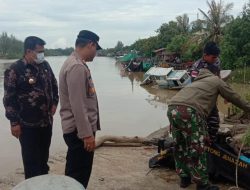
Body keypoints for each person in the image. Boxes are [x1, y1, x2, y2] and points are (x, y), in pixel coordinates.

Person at [167, 68, 250, 190]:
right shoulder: (216, 80)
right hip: (190, 112)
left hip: (172, 108)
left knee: (180, 145)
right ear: (217, 74)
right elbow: (234, 97)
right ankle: (202, 185)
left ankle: (184, 178)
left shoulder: (196, 82)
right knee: (197, 147)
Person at [3, 36, 59, 179]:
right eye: (39, 51)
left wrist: (54, 103)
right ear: (28, 51)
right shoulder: (15, 70)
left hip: (46, 122)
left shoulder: (45, 66)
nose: (42, 54)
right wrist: (14, 123)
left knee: (43, 160)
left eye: (43, 51)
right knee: (31, 163)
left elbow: (54, 85)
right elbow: (9, 99)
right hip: (27, 126)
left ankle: (44, 183)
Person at [59, 30, 101, 188]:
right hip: (79, 132)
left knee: (76, 172)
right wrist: (86, 135)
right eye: (96, 48)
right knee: (78, 175)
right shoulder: (76, 66)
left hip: (79, 131)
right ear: (91, 44)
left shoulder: (75, 62)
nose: (96, 53)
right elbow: (78, 104)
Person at [189, 42, 221, 141]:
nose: (215, 59)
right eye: (213, 57)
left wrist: (223, 93)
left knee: (214, 122)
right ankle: (200, 142)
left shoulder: (216, 61)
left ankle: (211, 142)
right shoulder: (196, 67)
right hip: (199, 98)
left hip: (211, 97)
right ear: (205, 55)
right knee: (200, 121)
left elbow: (218, 77)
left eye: (216, 57)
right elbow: (194, 85)